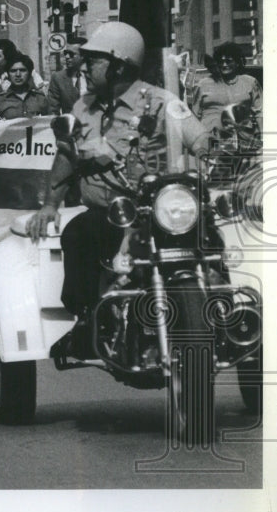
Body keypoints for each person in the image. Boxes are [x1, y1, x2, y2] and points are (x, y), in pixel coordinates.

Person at [25, 22, 207, 359]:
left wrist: (222, 167)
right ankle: (87, 317)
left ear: (119, 65)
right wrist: (50, 204)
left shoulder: (161, 102)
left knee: (215, 241)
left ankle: (228, 313)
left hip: (162, 211)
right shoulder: (83, 108)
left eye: (94, 60)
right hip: (110, 215)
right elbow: (67, 156)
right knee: (78, 232)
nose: (85, 66)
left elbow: (202, 142)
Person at [189, 41, 263, 139]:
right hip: (212, 142)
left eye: (228, 61)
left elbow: (260, 113)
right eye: (221, 61)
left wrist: (264, 137)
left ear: (237, 63)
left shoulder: (250, 82)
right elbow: (194, 117)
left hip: (244, 141)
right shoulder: (203, 85)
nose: (224, 64)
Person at [0, 53, 49, 121]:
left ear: (29, 73)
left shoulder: (40, 98)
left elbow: (51, 123)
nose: (18, 74)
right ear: (8, 74)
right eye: (13, 71)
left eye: (22, 70)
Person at [47, 36, 88, 115]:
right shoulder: (58, 78)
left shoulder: (94, 75)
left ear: (83, 56)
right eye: (66, 53)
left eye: (71, 54)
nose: (67, 57)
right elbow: (52, 109)